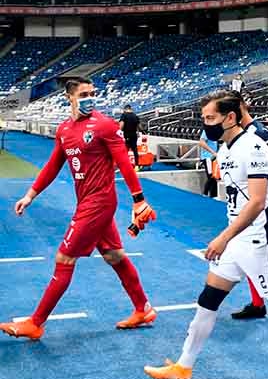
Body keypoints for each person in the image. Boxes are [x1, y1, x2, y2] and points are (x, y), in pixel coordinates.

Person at [144, 90, 268, 379]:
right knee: (208, 301)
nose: (206, 123)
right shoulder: (224, 149)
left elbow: (258, 201)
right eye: (204, 118)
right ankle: (183, 367)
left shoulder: (255, 147)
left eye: (211, 118)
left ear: (231, 117)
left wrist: (223, 237)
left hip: (259, 241)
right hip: (236, 242)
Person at [0, 77, 157, 340]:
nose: (90, 98)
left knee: (64, 258)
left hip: (99, 203)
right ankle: (143, 308)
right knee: (114, 256)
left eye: (92, 93)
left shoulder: (105, 125)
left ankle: (36, 323)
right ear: (69, 97)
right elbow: (52, 166)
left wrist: (138, 199)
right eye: (84, 94)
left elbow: (124, 163)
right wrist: (30, 195)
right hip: (86, 201)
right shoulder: (64, 130)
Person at [226, 90, 268, 320]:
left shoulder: (259, 133)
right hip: (242, 201)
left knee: (263, 251)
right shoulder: (239, 135)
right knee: (248, 251)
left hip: (259, 202)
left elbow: (266, 172)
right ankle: (259, 303)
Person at [198, 128, 219, 198]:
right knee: (211, 176)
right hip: (208, 157)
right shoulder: (207, 130)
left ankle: (214, 195)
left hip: (214, 157)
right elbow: (201, 142)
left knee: (215, 176)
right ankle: (205, 193)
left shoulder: (216, 131)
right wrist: (212, 152)